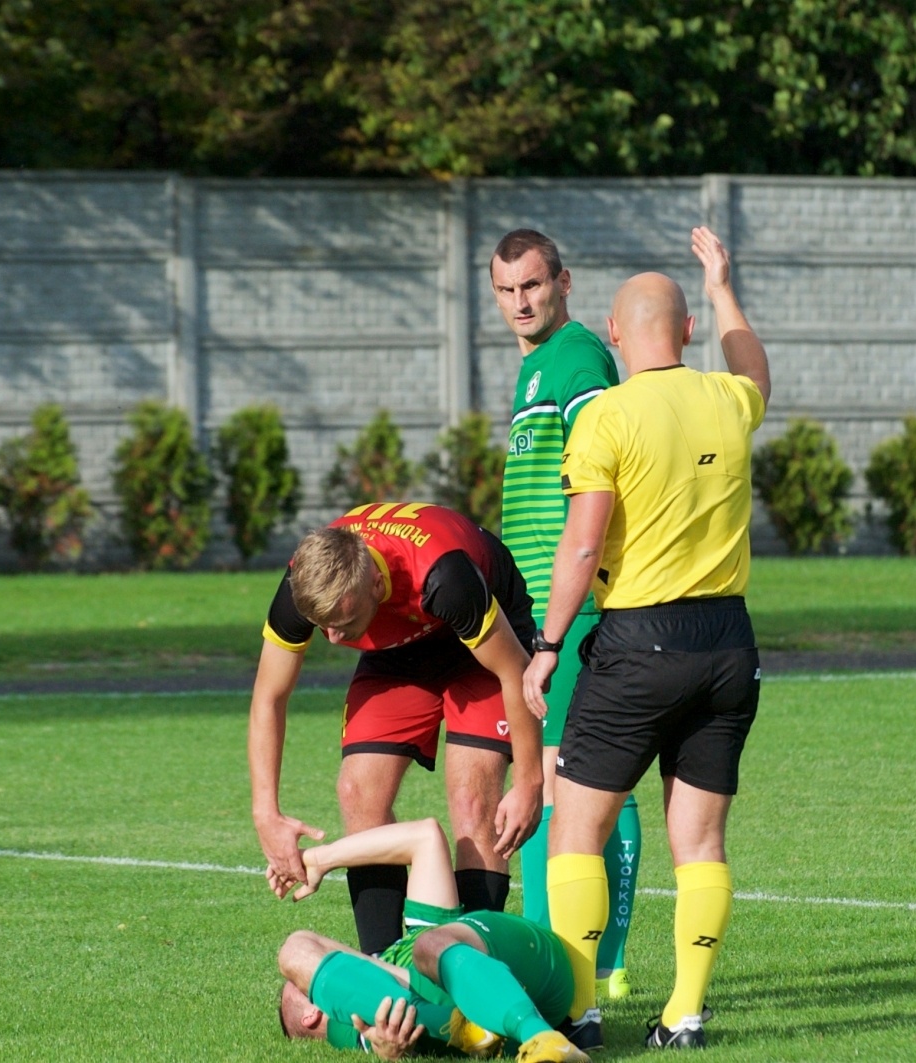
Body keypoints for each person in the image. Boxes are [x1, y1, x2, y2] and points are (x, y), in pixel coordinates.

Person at [523, 227, 770, 1050]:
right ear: (689, 331)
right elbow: (755, 368)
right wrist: (721, 282)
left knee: (576, 829)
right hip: (729, 640)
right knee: (698, 839)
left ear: (615, 334)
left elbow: (584, 544)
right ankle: (686, 1012)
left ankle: (583, 1007)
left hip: (640, 640)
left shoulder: (610, 415)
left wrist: (550, 640)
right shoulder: (730, 400)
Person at [249, 502, 544, 955]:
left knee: (472, 798)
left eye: (344, 624)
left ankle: (477, 973)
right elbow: (269, 697)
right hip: (399, 647)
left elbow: (513, 673)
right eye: (322, 627)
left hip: (484, 642)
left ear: (376, 582)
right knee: (357, 790)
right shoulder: (303, 587)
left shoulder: (445, 578)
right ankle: (385, 969)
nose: (333, 640)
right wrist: (265, 813)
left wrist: (529, 782)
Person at [489, 228, 640, 998]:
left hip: (569, 610)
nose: (521, 302)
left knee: (558, 779)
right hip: (539, 610)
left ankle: (575, 959)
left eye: (534, 286)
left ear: (564, 283)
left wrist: (553, 617)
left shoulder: (577, 358)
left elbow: (599, 480)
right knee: (589, 778)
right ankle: (601, 961)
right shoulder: (536, 369)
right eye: (508, 290)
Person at [277, 818, 589, 1063]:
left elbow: (425, 836)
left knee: (299, 947)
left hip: (510, 972)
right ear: (313, 1012)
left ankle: (467, 1028)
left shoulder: (394, 964)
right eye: (306, 981)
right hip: (531, 979)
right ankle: (538, 1037)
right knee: (296, 950)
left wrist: (319, 858)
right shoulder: (368, 1027)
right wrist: (389, 1049)